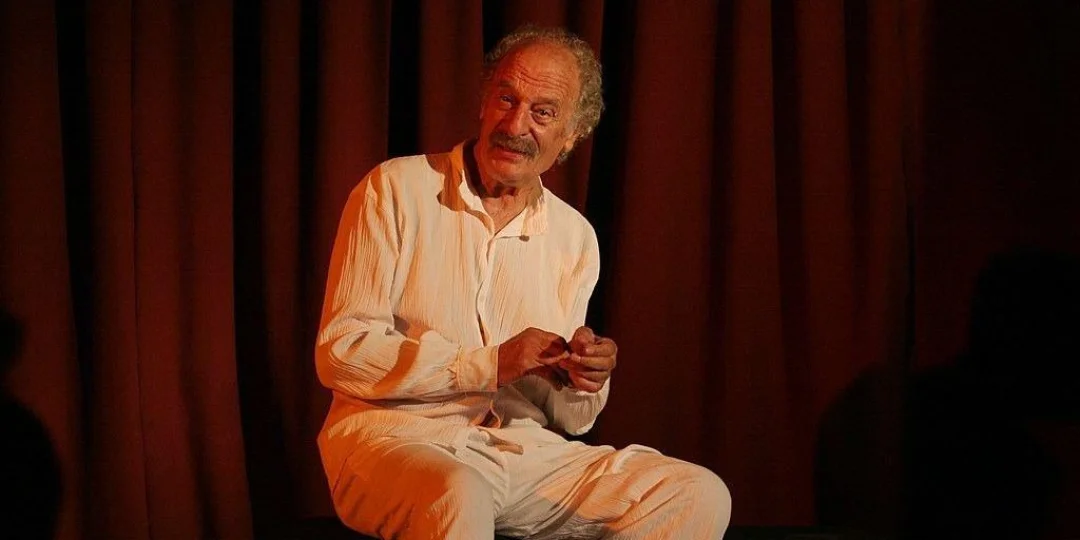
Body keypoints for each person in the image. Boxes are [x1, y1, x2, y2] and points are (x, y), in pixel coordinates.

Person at [315, 25, 731, 539]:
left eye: (543, 112)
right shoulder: (395, 189)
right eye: (506, 99)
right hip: (392, 442)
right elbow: (342, 352)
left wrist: (582, 378)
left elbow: (571, 420)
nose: (515, 125)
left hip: (520, 453)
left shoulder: (574, 236)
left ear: (571, 135)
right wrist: (490, 364)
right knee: (459, 492)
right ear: (483, 102)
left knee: (696, 493)